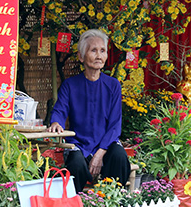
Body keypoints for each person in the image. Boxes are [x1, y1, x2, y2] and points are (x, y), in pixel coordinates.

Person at [47, 29, 130, 192]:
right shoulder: (70, 85)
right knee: (75, 165)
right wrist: (56, 122)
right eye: (93, 50)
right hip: (79, 143)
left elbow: (115, 125)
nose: (99, 55)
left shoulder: (113, 85)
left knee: (119, 157)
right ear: (81, 56)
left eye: (102, 51)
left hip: (106, 143)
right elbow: (60, 110)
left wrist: (100, 153)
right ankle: (75, 206)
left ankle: (111, 201)